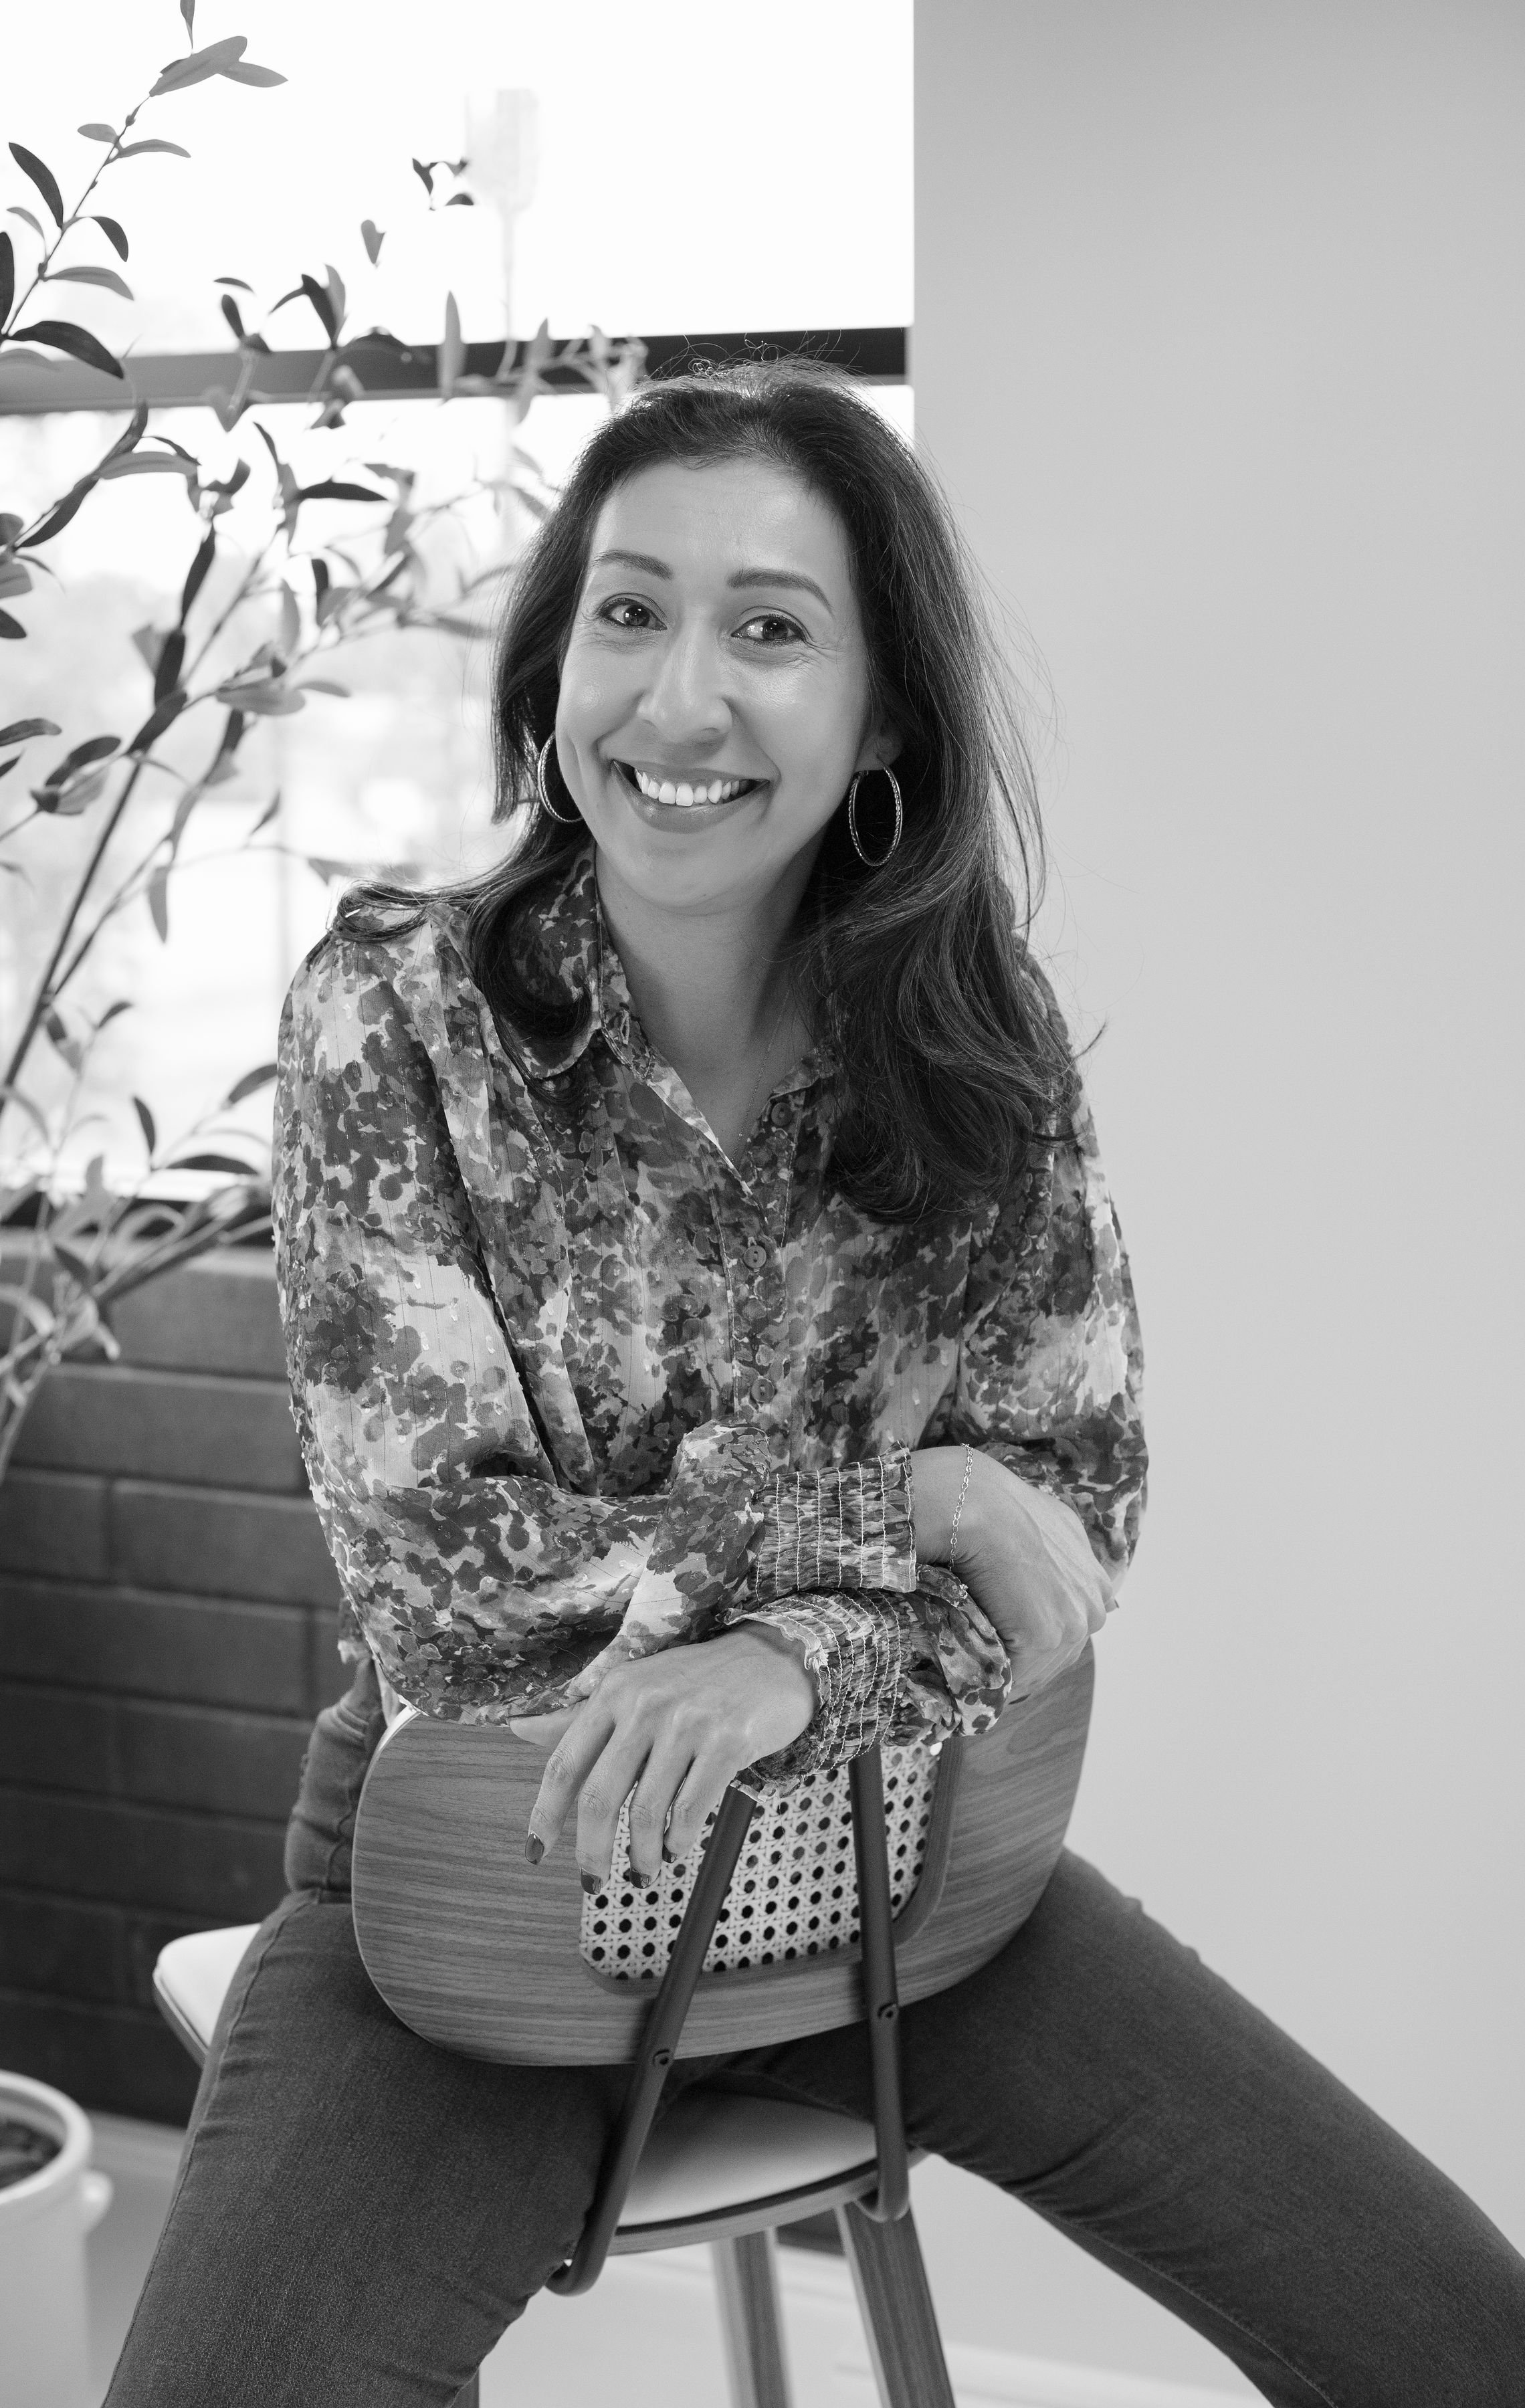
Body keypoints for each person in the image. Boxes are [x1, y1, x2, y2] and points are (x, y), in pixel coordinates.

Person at [106, 362, 1525, 2406]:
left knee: (1461, 2341)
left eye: (770, 628)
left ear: (881, 722)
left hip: (903, 1878)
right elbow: (451, 1588)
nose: (679, 697)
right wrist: (897, 1511)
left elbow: (1068, 1511)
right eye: (629, 610)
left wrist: (792, 1667)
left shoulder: (974, 1039)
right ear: (554, 668)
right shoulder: (394, 1011)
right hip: (484, 1906)